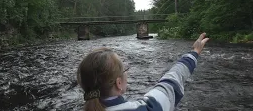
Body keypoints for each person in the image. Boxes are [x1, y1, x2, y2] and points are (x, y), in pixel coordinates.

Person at [77, 33, 209, 111]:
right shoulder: (148, 108)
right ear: (118, 83)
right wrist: (195, 52)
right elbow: (171, 82)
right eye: (125, 70)